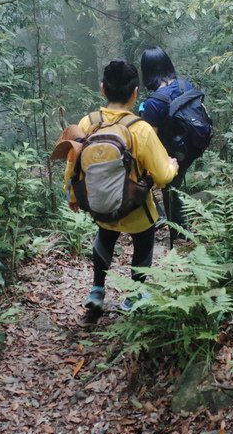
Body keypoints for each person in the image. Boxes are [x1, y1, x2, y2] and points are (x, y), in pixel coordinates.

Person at [65, 59, 178, 315]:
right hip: (134, 207)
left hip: (100, 204)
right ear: (135, 92)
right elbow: (161, 176)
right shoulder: (141, 129)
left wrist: (73, 195)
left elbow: (73, 164)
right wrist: (172, 165)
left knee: (105, 235)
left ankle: (96, 290)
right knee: (144, 240)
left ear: (103, 89)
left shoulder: (87, 122)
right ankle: (134, 295)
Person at [138, 46, 196, 241]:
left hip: (171, 152)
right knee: (173, 187)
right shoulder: (185, 85)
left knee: (160, 185)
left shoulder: (154, 103)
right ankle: (171, 224)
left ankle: (178, 233)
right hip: (191, 145)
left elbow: (148, 140)